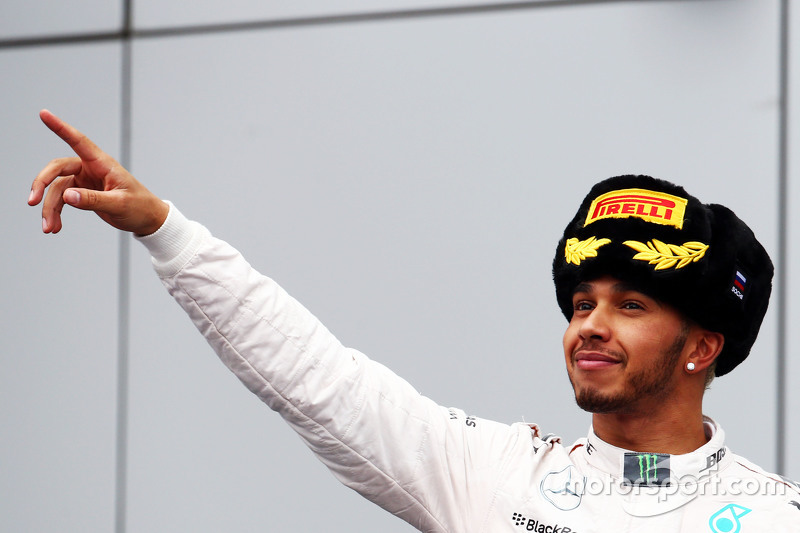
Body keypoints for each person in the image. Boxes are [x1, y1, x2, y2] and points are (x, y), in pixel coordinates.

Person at [30, 110, 800, 532]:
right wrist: (166, 229)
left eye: (630, 305)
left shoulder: (772, 516)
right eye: (581, 303)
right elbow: (317, 377)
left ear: (703, 344)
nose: (590, 325)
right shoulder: (495, 473)